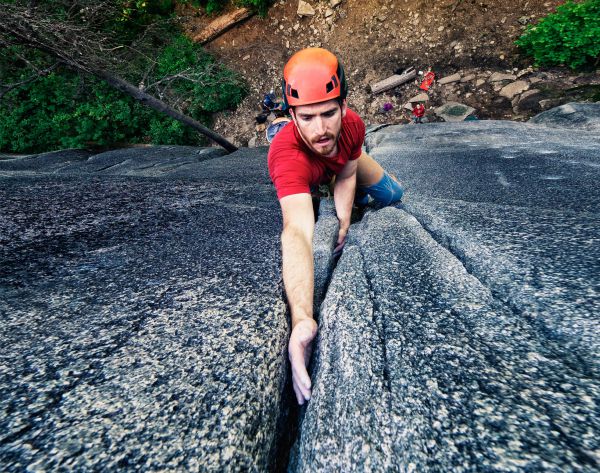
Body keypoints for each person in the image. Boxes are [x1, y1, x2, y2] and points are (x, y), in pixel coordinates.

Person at [267, 48, 404, 405]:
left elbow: (345, 170)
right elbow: (296, 229)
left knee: (393, 193)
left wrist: (343, 219)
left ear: (344, 107)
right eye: (307, 117)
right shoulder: (287, 157)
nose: (321, 129)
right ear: (293, 112)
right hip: (304, 167)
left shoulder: (353, 125)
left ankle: (344, 195)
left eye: (329, 113)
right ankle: (278, 130)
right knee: (308, 199)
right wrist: (302, 319)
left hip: (341, 164)